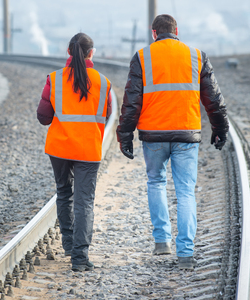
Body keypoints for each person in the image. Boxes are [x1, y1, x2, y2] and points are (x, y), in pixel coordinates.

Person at [116, 14, 229, 270]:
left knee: (156, 181)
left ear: (153, 33)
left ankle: (162, 242)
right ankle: (186, 253)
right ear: (177, 30)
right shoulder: (197, 55)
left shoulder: (142, 57)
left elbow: (131, 101)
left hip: (153, 135)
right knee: (186, 191)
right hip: (186, 133)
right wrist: (219, 128)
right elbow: (213, 98)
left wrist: (125, 135)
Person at [37, 32, 112, 272]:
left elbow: (43, 117)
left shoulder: (55, 79)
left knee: (63, 192)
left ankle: (68, 244)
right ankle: (79, 257)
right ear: (92, 53)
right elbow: (108, 113)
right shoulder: (103, 82)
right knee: (84, 200)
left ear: (68, 52)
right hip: (88, 148)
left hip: (59, 147)